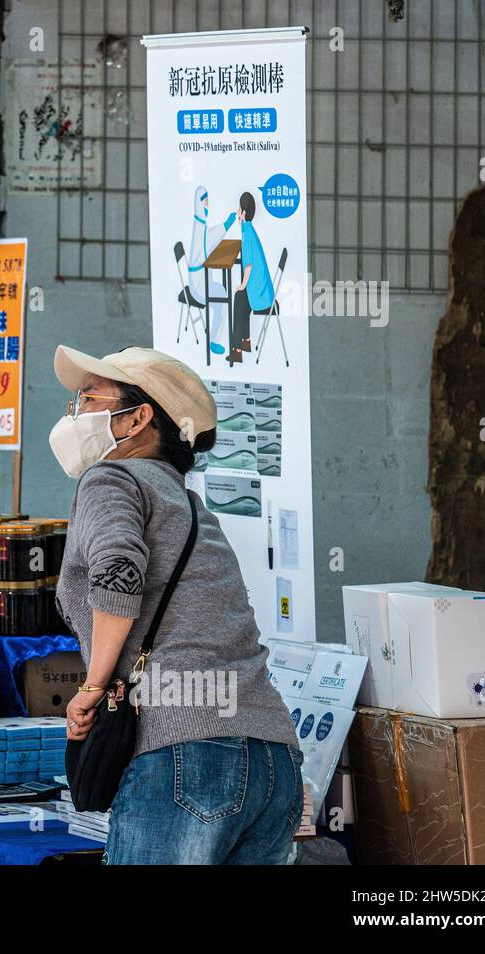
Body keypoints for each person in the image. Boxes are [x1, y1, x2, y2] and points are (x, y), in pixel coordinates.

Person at [51, 345, 301, 865]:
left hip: (185, 755)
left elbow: (117, 578)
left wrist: (93, 689)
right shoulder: (185, 502)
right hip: (273, 760)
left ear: (139, 418)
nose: (76, 411)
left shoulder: (111, 479)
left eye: (90, 398)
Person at [185, 186, 236, 356]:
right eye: (205, 202)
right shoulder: (199, 225)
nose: (208, 205)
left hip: (201, 279)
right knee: (223, 299)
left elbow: (210, 239)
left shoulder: (200, 222)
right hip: (198, 286)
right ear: (199, 204)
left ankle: (216, 337)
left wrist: (226, 225)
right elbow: (210, 241)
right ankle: (214, 341)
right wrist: (227, 224)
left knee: (222, 292)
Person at [230, 191, 275, 365]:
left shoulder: (247, 235)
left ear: (243, 212)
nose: (237, 211)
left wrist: (241, 285)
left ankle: (237, 350)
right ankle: (246, 341)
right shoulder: (248, 229)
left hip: (260, 294)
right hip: (263, 289)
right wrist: (239, 221)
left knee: (238, 297)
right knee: (242, 299)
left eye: (239, 209)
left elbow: (248, 266)